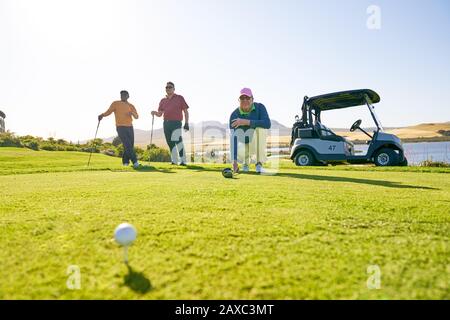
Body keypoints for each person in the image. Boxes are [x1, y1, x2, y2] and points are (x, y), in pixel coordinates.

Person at [229, 88, 271, 173]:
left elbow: (267, 124)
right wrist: (234, 161)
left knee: (260, 129)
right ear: (238, 100)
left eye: (247, 98)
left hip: (256, 142)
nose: (245, 100)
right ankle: (245, 164)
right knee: (241, 141)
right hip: (243, 144)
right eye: (242, 98)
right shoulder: (234, 115)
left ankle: (258, 163)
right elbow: (233, 138)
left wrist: (245, 122)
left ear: (252, 99)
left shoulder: (260, 107)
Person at [98, 90, 140, 168]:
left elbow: (137, 117)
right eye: (121, 95)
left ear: (128, 96)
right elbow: (109, 111)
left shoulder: (131, 106)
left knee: (129, 145)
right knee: (127, 144)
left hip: (130, 127)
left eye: (124, 95)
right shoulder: (115, 103)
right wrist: (102, 115)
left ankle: (125, 163)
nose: (122, 96)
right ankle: (135, 162)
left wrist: (132, 113)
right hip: (120, 127)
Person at [151, 82, 190, 166]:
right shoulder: (163, 100)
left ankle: (183, 160)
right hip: (166, 123)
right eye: (167, 87)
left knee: (178, 141)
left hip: (176, 123)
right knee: (170, 142)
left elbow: (186, 111)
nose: (168, 88)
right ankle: (175, 160)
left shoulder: (179, 98)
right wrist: (155, 112)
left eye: (170, 87)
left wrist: (186, 123)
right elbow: (160, 114)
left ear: (174, 89)